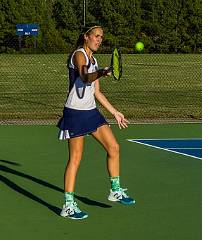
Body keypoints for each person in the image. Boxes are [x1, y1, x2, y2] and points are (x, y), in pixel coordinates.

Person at [57, 26, 135, 220]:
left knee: (114, 148)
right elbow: (85, 76)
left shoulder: (94, 59)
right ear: (86, 37)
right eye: (96, 36)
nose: (99, 40)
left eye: (101, 37)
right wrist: (101, 72)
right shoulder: (79, 55)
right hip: (75, 112)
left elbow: (97, 92)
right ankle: (67, 205)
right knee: (75, 158)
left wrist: (114, 112)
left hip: (91, 112)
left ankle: (115, 191)